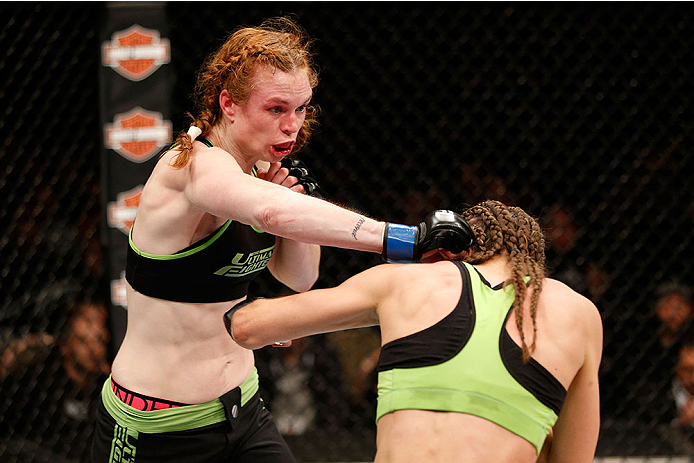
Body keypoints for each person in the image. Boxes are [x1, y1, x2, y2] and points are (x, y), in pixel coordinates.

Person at [88, 16, 472, 463]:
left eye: (302, 108)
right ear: (228, 104)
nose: (292, 126)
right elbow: (267, 211)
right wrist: (409, 240)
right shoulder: (192, 166)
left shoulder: (260, 175)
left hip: (243, 410)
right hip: (158, 428)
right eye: (276, 110)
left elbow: (299, 278)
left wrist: (292, 210)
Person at [227, 200, 603, 463]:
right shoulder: (580, 314)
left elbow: (246, 325)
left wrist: (395, 301)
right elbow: (573, 457)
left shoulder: (404, 283)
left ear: (457, 246)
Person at [0, 298, 110, 462]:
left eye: (99, 341)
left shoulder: (106, 388)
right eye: (84, 342)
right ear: (66, 345)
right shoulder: (40, 380)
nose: (93, 350)